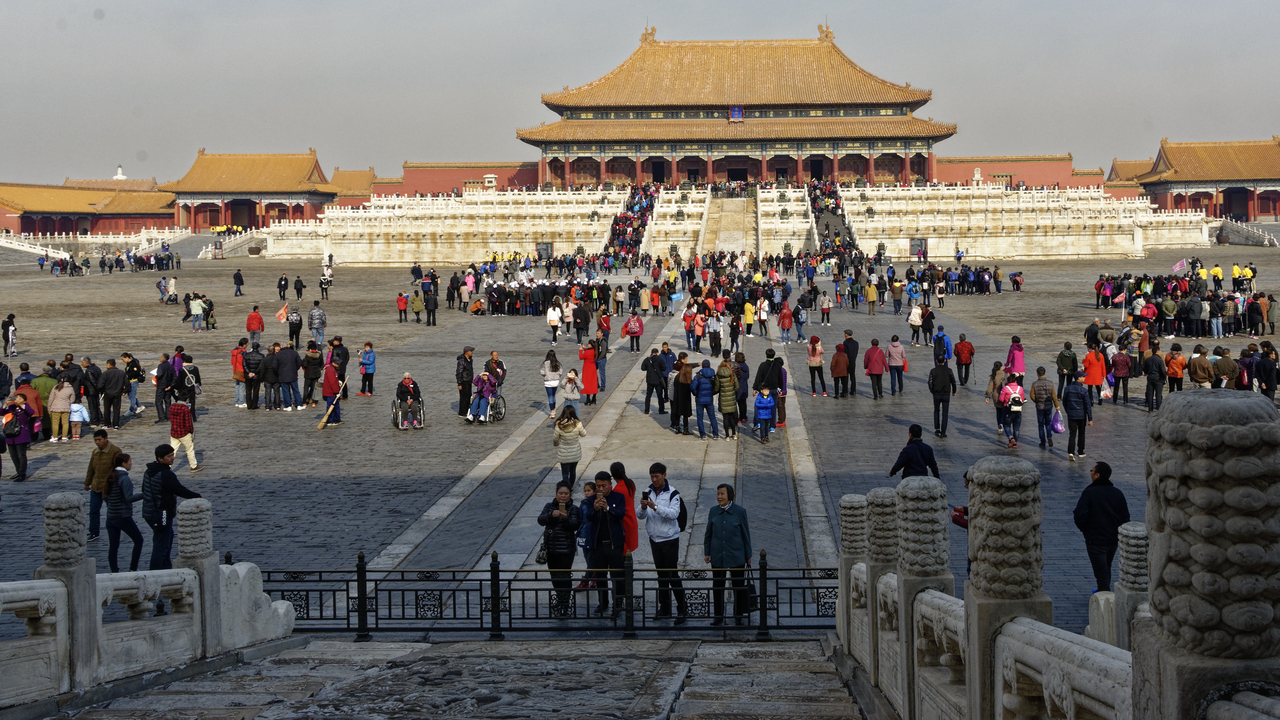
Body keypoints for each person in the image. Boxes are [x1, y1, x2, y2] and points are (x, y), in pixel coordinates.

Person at [141, 444, 201, 614]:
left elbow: (144, 491)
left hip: (150, 513)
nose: (172, 458)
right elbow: (178, 489)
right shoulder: (166, 474)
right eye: (169, 456)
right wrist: (197, 496)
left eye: (172, 455)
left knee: (166, 540)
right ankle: (154, 577)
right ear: (160, 458)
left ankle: (167, 572)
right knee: (161, 544)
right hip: (162, 513)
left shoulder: (149, 472)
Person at [638, 462, 687, 624]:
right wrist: (644, 507)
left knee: (672, 575)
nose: (654, 479)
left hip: (670, 540)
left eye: (657, 476)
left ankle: (682, 608)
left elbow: (673, 514)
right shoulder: (648, 491)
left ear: (664, 475)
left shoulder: (673, 494)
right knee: (661, 576)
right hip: (655, 540)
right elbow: (639, 515)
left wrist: (655, 506)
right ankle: (664, 608)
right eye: (652, 476)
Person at [1073, 462, 1129, 592]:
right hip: (1113, 539)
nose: (1091, 473)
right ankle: (1103, 590)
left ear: (1097, 475)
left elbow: (1079, 515)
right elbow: (1125, 517)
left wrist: (1086, 530)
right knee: (1106, 567)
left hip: (1095, 540)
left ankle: (1104, 596)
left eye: (1092, 470)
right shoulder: (1117, 493)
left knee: (1101, 571)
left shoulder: (1089, 493)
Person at [704, 483, 752, 626]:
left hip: (736, 555)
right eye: (718, 494)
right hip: (718, 555)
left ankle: (738, 614)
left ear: (729, 495)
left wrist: (748, 555)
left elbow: (746, 534)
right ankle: (718, 615)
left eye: (722, 494)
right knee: (718, 586)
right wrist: (707, 552)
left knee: (738, 585)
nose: (719, 497)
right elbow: (708, 534)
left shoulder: (740, 512)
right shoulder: (713, 511)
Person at [537, 484, 581, 617]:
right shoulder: (549, 506)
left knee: (565, 576)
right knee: (555, 576)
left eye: (566, 493)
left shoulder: (574, 509)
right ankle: (559, 599)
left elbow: (575, 525)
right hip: (551, 548)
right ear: (556, 493)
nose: (563, 496)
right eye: (561, 493)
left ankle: (565, 603)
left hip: (566, 550)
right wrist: (551, 515)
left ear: (570, 495)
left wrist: (565, 518)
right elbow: (540, 520)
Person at [589, 471, 627, 618]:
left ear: (610, 485)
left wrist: (607, 508)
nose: (600, 489)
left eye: (603, 486)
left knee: (616, 576)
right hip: (598, 544)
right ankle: (603, 603)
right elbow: (587, 518)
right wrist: (595, 509)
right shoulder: (592, 500)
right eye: (598, 486)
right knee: (600, 576)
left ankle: (617, 605)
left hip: (614, 544)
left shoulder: (618, 497)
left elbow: (621, 514)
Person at [104, 454, 144, 573]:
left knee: (113, 546)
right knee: (139, 540)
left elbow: (104, 496)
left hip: (110, 517)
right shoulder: (124, 479)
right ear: (124, 464)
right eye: (130, 461)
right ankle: (133, 568)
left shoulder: (109, 476)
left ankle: (114, 571)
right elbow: (129, 498)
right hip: (123, 517)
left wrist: (111, 507)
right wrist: (145, 494)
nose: (131, 463)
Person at [83, 429, 122, 541]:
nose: (97, 442)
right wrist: (87, 483)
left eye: (99, 440)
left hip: (109, 487)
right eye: (95, 440)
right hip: (96, 486)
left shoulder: (115, 451)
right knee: (94, 510)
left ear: (106, 438)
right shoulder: (95, 452)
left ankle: (118, 527)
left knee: (113, 509)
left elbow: (119, 469)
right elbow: (91, 468)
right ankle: (94, 532)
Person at [3, 393, 35, 482]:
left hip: (21, 435)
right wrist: (6, 404)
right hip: (10, 435)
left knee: (21, 455)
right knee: (13, 456)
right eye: (16, 398)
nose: (16, 399)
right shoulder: (11, 407)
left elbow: (31, 412)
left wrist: (21, 404)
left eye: (19, 398)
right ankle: (18, 471)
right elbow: (1, 412)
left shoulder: (25, 407)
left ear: (24, 400)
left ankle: (22, 474)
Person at [1062, 371, 1093, 461]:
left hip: (1071, 415)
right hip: (1081, 415)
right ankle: (1080, 451)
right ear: (1078, 378)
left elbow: (1064, 402)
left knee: (1072, 434)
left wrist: (1068, 411)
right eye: (1083, 377)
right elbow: (1088, 406)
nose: (1084, 378)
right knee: (1081, 433)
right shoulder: (1084, 390)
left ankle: (1071, 452)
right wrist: (1090, 418)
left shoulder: (1067, 389)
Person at [552, 406, 586, 487]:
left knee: (565, 473)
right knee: (573, 471)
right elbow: (583, 434)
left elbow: (555, 439)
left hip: (564, 453)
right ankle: (571, 486)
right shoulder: (578, 424)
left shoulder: (559, 425)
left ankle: (566, 488)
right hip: (575, 452)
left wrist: (556, 444)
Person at [1029, 367, 1061, 449]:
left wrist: (1037, 401)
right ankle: (1049, 436)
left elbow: (1032, 395)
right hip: (1048, 406)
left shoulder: (1034, 384)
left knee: (1040, 424)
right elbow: (1054, 395)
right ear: (1045, 373)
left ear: (1037, 374)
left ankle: (1042, 441)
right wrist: (1056, 405)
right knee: (1048, 423)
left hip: (1039, 406)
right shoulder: (1051, 383)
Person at [927, 357, 957, 437]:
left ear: (936, 361)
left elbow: (929, 382)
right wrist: (954, 391)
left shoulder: (933, 371)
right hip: (946, 394)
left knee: (936, 410)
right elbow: (953, 382)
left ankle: (937, 429)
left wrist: (932, 391)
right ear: (944, 360)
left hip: (936, 394)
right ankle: (943, 431)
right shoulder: (949, 370)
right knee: (945, 413)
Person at [169, 397, 200, 472]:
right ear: (186, 399)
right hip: (184, 433)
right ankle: (193, 466)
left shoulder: (172, 407)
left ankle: (165, 466)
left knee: (171, 451)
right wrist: (191, 432)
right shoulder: (185, 409)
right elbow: (188, 423)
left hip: (174, 432)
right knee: (189, 450)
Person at [691, 359, 720, 439]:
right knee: (712, 417)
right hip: (709, 399)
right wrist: (712, 393)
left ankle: (702, 435)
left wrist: (696, 394)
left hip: (699, 399)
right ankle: (716, 434)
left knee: (700, 417)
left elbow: (692, 387)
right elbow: (717, 387)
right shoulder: (713, 375)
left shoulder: (698, 376)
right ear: (710, 366)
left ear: (702, 366)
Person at [997, 373, 1027, 448]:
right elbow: (1022, 399)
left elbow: (1001, 399)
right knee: (1016, 428)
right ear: (1015, 381)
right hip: (1018, 410)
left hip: (1008, 410)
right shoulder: (1020, 388)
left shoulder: (1005, 388)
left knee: (1007, 425)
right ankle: (1015, 443)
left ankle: (1011, 437)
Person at [715, 352, 739, 440]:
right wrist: (732, 391)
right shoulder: (732, 373)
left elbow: (717, 388)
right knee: (732, 417)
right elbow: (737, 386)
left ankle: (727, 436)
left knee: (725, 418)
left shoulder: (718, 375)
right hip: (731, 398)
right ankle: (734, 434)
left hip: (723, 398)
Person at [641, 348, 667, 415]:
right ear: (657, 353)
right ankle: (661, 410)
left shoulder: (647, 359)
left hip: (649, 380)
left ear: (651, 353)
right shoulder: (659, 359)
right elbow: (664, 368)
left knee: (648, 395)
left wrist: (649, 368)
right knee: (660, 396)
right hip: (658, 380)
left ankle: (647, 410)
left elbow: (643, 368)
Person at [321, 358, 343, 425]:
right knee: (331, 407)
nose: (338, 364)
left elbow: (334, 380)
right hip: (330, 393)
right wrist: (336, 392)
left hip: (331, 392)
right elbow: (332, 383)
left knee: (336, 406)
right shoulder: (330, 370)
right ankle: (330, 420)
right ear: (333, 362)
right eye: (337, 363)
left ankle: (336, 419)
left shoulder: (332, 369)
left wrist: (338, 381)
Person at [457, 346, 476, 417]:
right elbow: (459, 372)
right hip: (463, 381)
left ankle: (468, 411)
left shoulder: (469, 360)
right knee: (463, 398)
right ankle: (462, 412)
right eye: (471, 351)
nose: (472, 352)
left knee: (468, 397)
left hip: (468, 381)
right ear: (467, 352)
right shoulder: (462, 361)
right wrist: (459, 383)